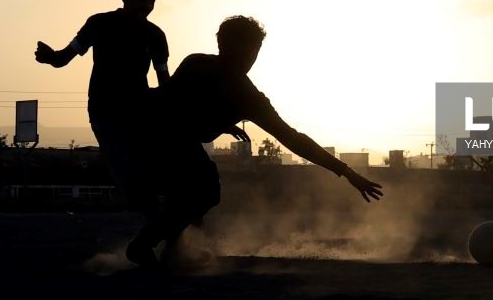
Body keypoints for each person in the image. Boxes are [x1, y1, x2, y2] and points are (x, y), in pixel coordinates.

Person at [140, 15, 383, 267]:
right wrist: (347, 172)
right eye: (253, 50)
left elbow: (175, 103)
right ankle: (145, 244)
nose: (253, 57)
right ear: (244, 49)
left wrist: (220, 124)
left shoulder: (196, 63)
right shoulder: (246, 95)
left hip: (150, 135)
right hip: (161, 141)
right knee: (206, 191)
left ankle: (173, 252)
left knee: (194, 193)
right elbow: (292, 139)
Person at [34, 0, 172, 266]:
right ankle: (155, 232)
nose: (148, 5)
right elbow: (63, 58)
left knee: (161, 174)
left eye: (153, 0)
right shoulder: (99, 24)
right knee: (129, 176)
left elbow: (165, 85)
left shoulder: (155, 36)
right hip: (106, 113)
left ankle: (166, 236)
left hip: (141, 113)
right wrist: (49, 58)